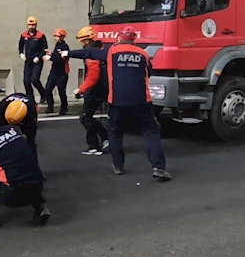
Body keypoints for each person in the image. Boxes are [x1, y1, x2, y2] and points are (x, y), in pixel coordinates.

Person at [68, 26, 172, 180]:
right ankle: (158, 167)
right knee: (151, 132)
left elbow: (90, 53)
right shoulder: (143, 54)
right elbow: (149, 71)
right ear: (133, 39)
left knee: (115, 132)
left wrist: (68, 54)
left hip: (117, 100)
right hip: (141, 101)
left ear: (119, 38)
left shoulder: (112, 52)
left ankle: (118, 166)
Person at [72, 27, 109, 156]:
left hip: (94, 90)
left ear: (87, 41)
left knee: (85, 117)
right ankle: (103, 139)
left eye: (82, 41)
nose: (81, 43)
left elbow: (93, 75)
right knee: (89, 116)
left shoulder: (91, 54)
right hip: (102, 88)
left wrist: (81, 90)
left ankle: (96, 144)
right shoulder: (100, 49)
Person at [0, 94, 39, 162]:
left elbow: (30, 131)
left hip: (26, 115)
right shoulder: (0, 108)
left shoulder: (31, 111)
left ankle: (34, 165)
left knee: (30, 142)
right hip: (4, 115)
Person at [18, 16, 48, 103]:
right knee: (26, 81)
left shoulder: (40, 35)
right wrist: (21, 53)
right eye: (30, 25)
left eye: (33, 25)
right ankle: (31, 100)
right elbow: (20, 45)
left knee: (34, 80)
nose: (31, 27)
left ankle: (43, 94)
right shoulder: (24, 35)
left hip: (37, 61)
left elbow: (44, 48)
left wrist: (38, 57)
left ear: (36, 25)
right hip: (28, 61)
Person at [42, 28, 70, 115]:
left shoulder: (64, 47)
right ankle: (50, 106)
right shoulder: (57, 45)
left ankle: (64, 107)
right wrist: (50, 54)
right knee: (48, 89)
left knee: (61, 91)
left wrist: (50, 57)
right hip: (54, 71)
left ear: (61, 37)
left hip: (62, 73)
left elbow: (60, 59)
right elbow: (56, 56)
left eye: (57, 36)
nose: (55, 38)